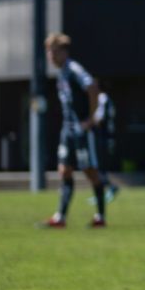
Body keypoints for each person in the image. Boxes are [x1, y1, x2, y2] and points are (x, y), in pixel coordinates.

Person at [42, 33, 110, 229]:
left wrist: (91, 118)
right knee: (64, 171)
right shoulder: (62, 72)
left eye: (54, 52)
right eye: (48, 52)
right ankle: (60, 217)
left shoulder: (73, 69)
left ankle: (100, 216)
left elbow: (92, 86)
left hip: (81, 130)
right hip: (68, 130)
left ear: (64, 52)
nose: (50, 56)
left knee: (90, 172)